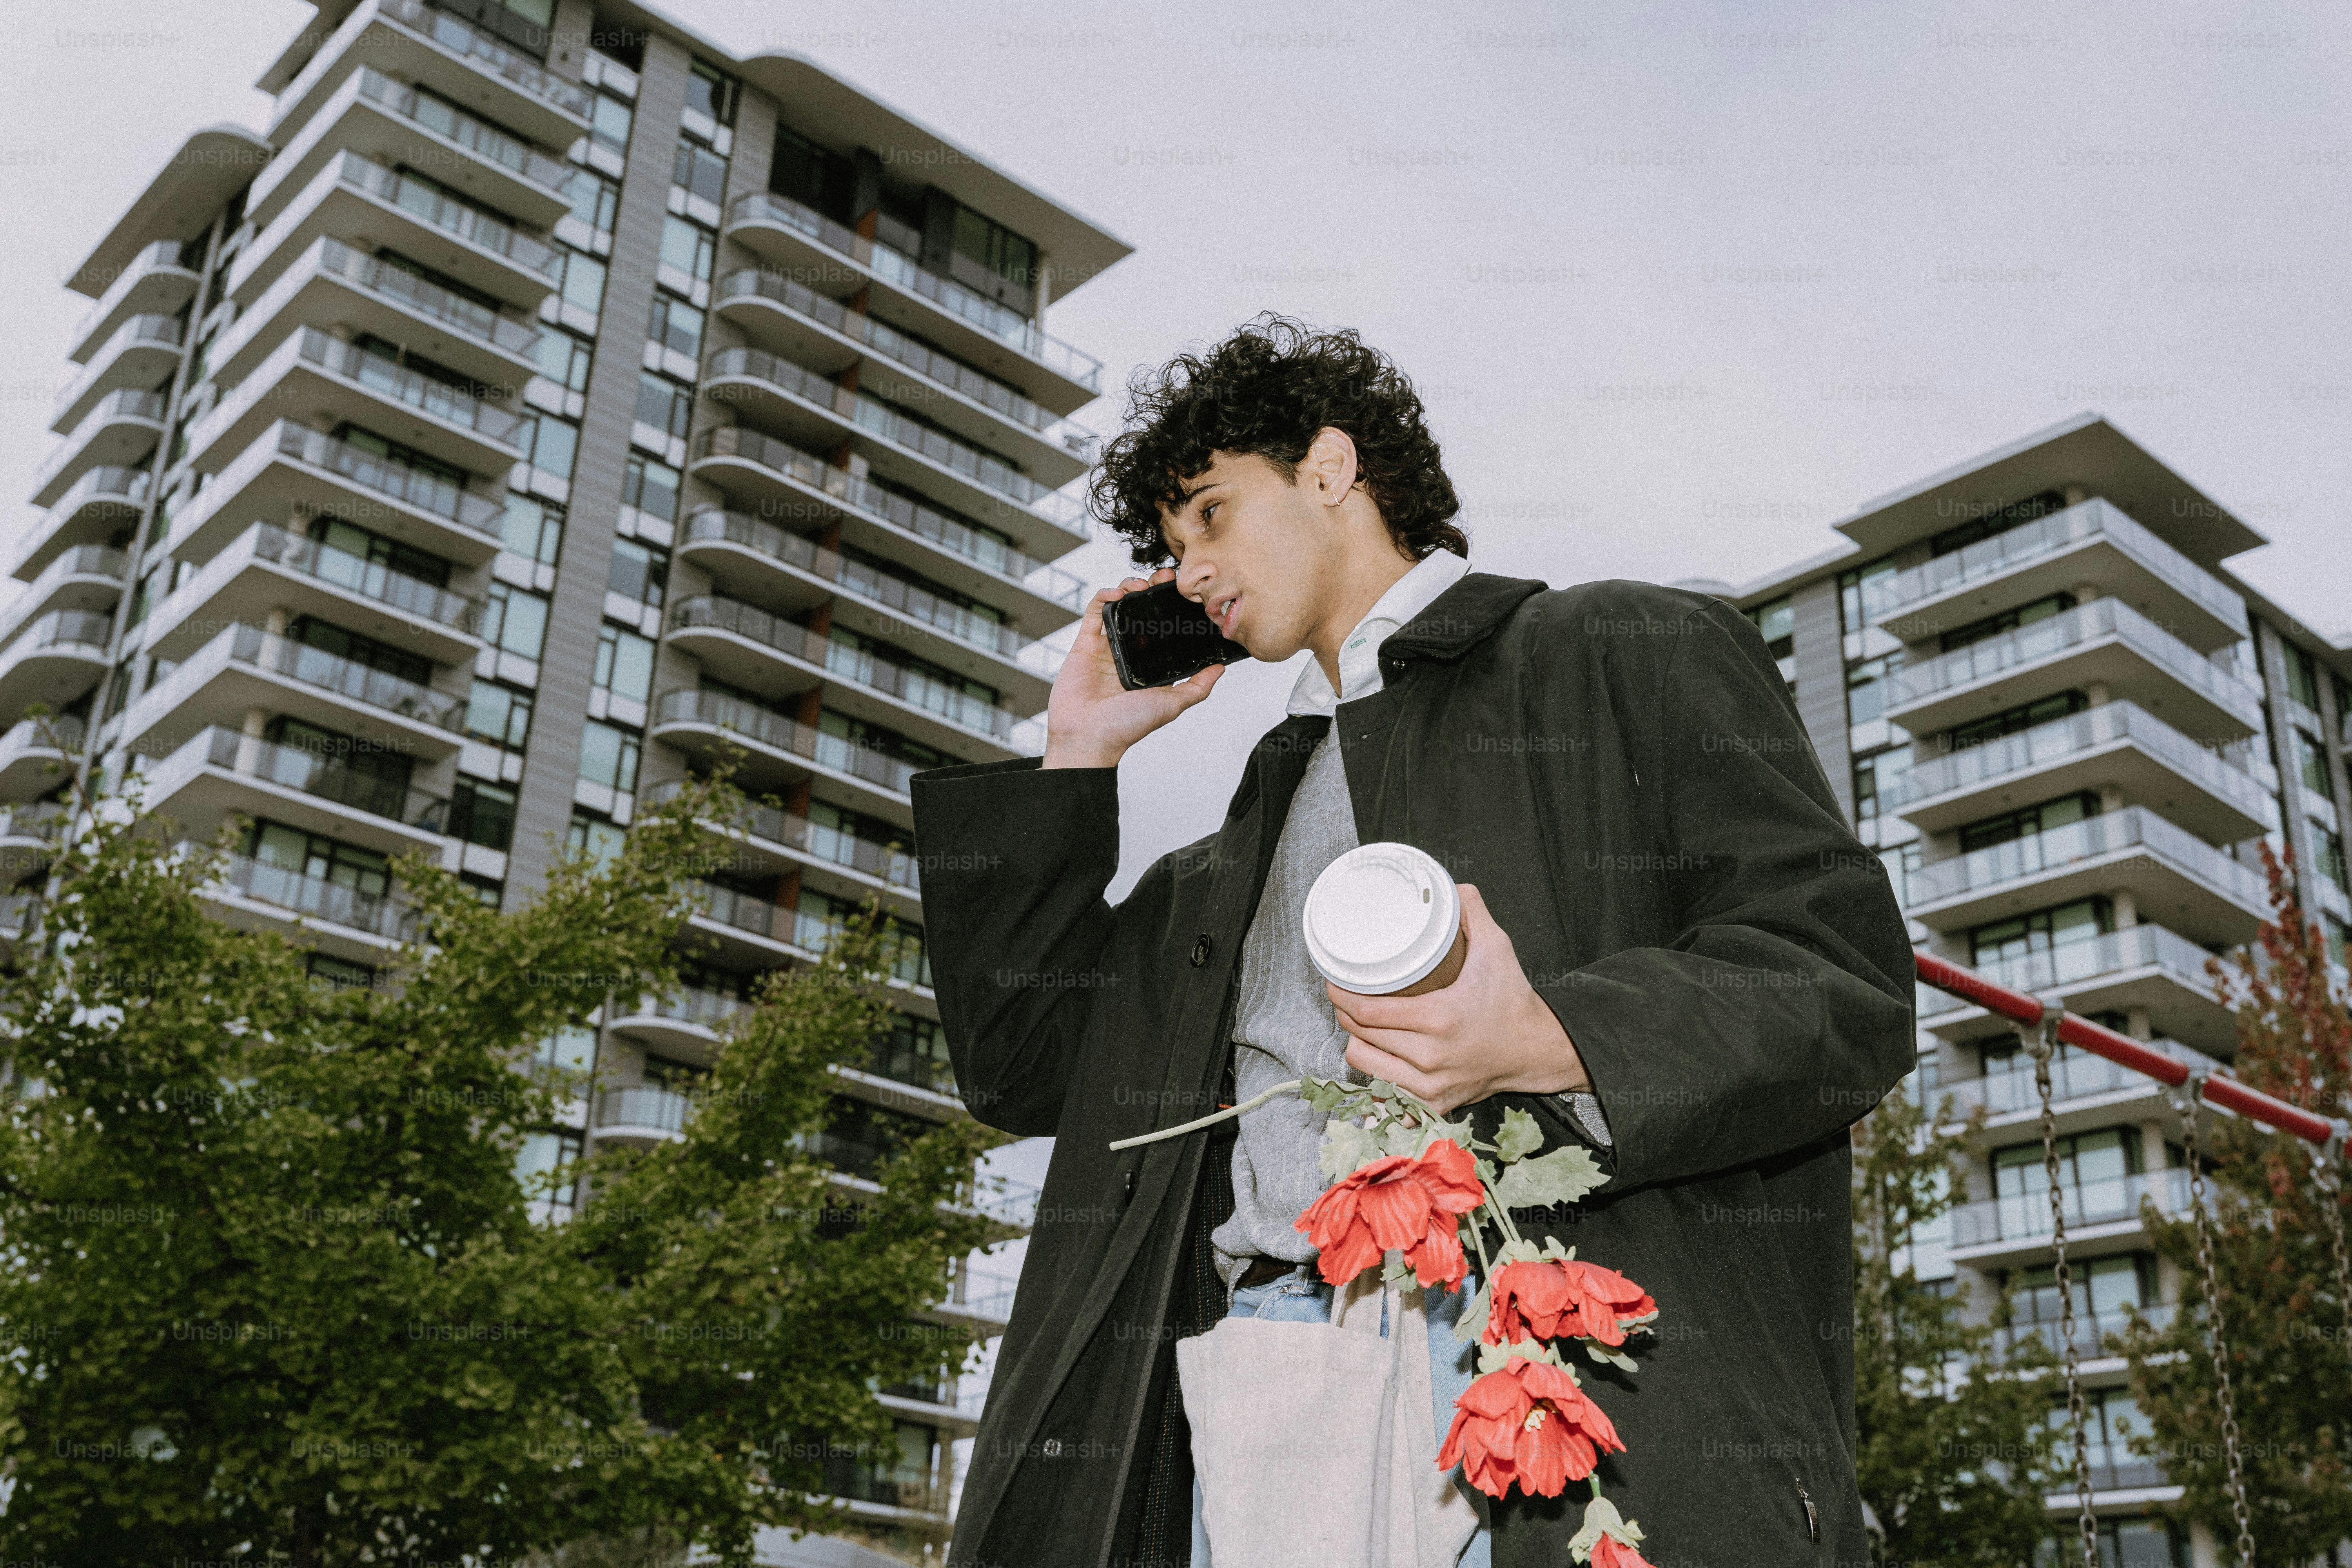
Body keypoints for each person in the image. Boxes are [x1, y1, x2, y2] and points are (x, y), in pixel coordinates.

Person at [909, 314, 1915, 1568]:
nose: (1190, 571)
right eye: (1170, 548)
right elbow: (1024, 1063)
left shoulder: (1619, 652)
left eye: (1210, 514)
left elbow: (1842, 983)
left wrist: (1555, 1036)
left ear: (1330, 468)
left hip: (1563, 1380)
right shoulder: (1229, 859)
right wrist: (1078, 754)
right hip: (1273, 1381)